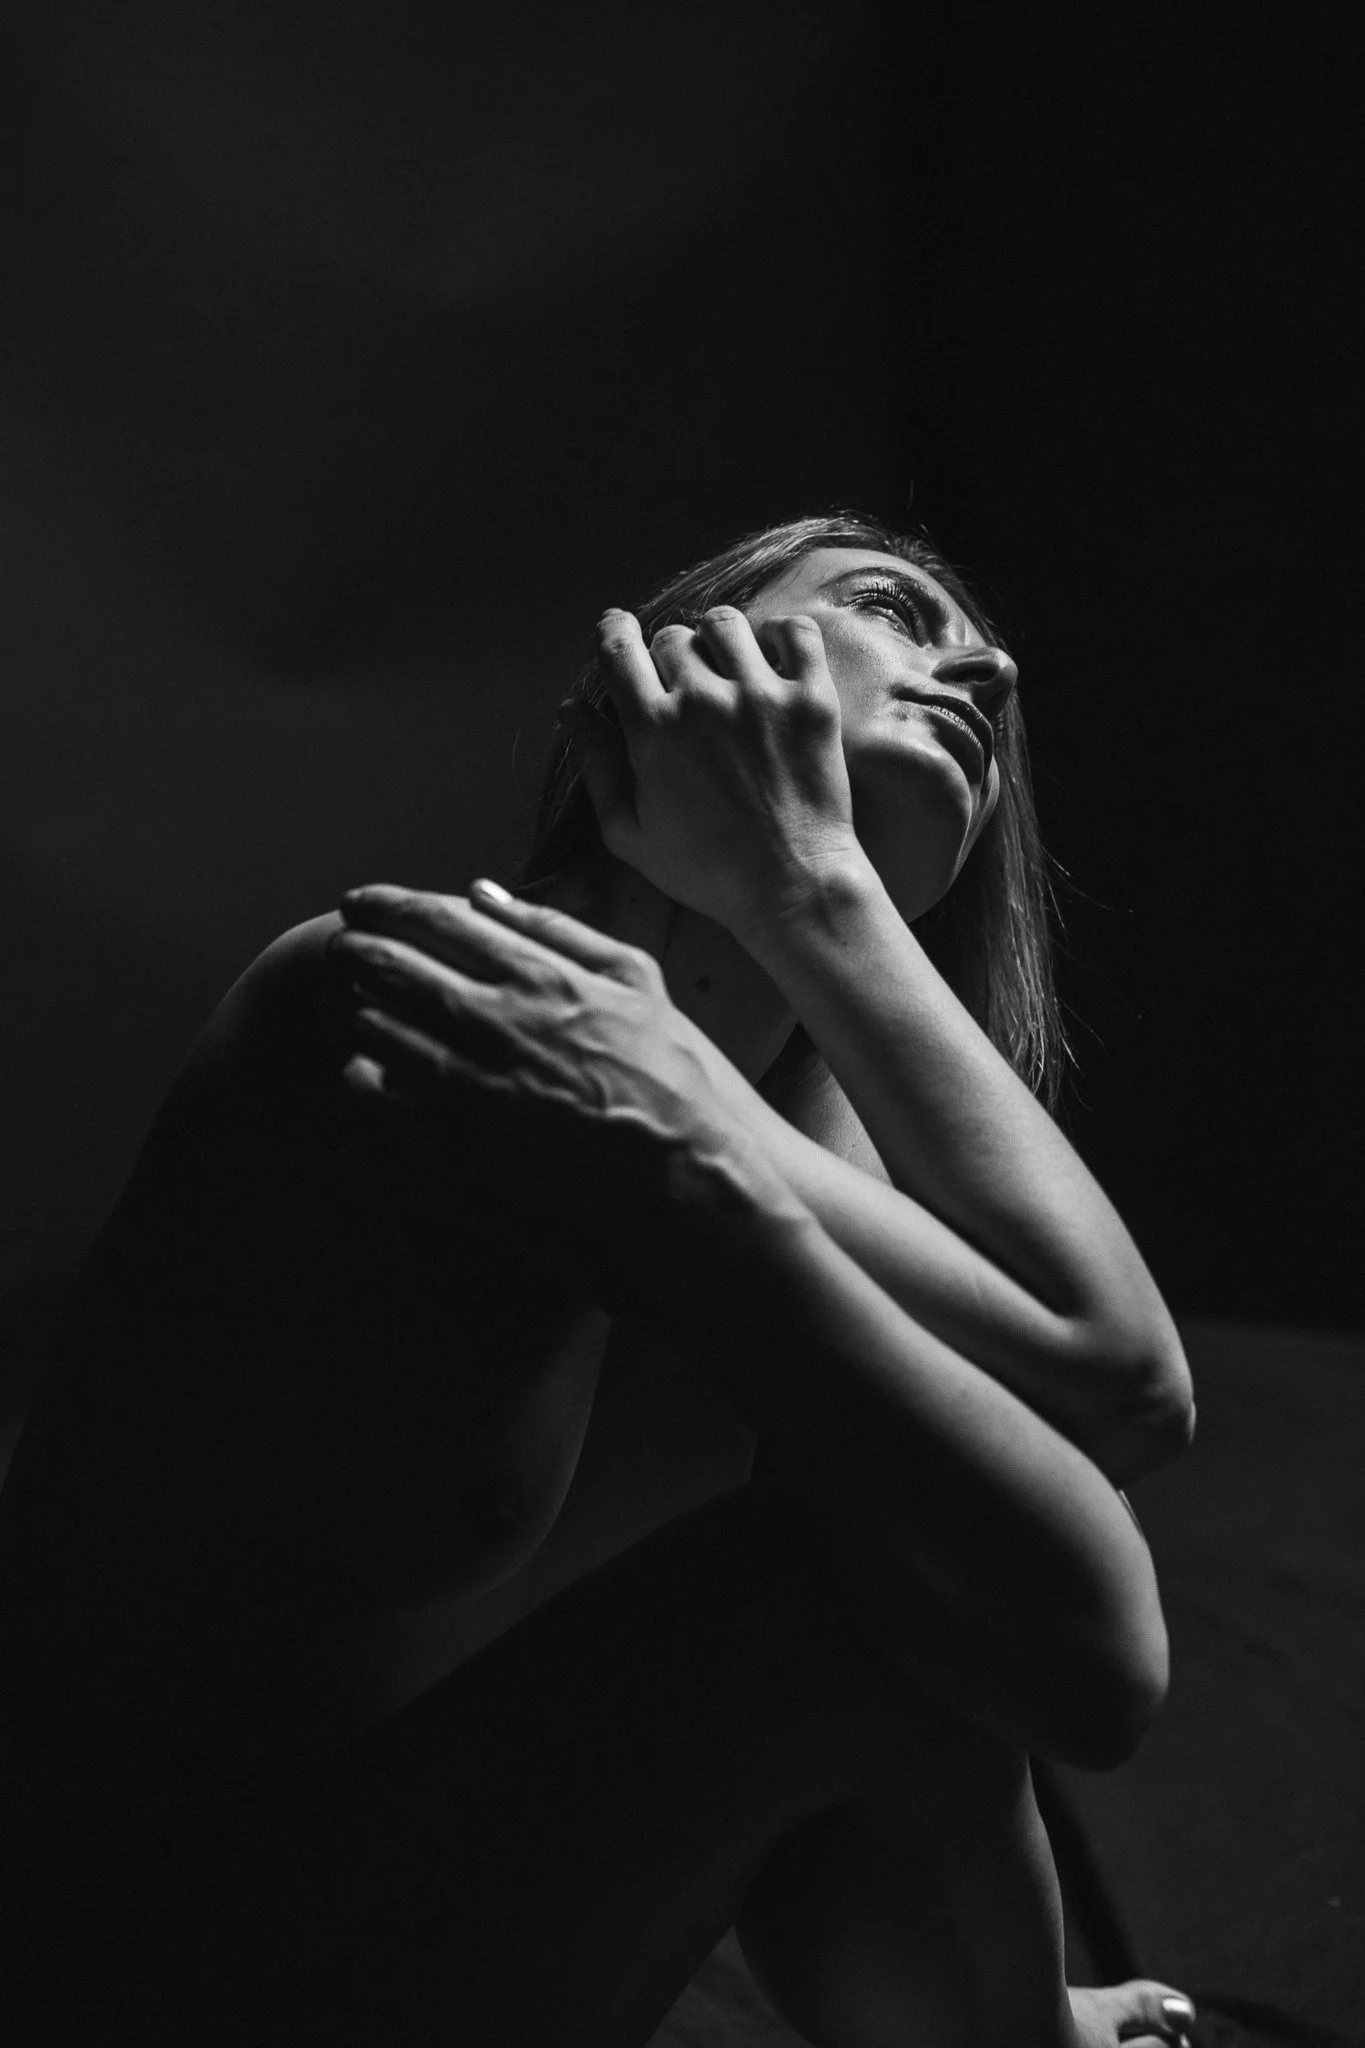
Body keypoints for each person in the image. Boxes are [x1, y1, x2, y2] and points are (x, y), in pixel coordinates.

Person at [0, 512, 1201, 2045]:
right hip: (128, 1982)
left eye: (978, 652)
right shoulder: (410, 1005)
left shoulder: (756, 1124)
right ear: (653, 676)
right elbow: (1095, 1635)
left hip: (445, 1953)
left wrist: (814, 894)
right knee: (858, 1574)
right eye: (895, 610)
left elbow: (1111, 1402)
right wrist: (805, 901)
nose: (990, 670)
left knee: (907, 1550)